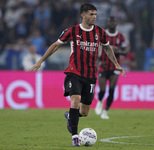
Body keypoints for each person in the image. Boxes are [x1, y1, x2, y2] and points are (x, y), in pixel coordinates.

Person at [28, 3, 125, 147]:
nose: (94, 17)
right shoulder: (72, 31)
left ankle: (70, 116)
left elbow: (107, 48)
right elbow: (56, 45)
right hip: (74, 72)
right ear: (83, 15)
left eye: (95, 14)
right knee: (75, 99)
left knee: (84, 112)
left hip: (91, 75)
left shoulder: (100, 32)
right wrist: (40, 61)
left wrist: (116, 64)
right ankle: (75, 137)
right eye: (91, 14)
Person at [95, 16, 127, 119]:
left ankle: (105, 111)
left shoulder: (120, 37)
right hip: (103, 66)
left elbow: (125, 51)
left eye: (114, 21)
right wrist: (99, 61)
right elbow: (96, 50)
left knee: (112, 90)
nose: (112, 23)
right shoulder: (102, 34)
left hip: (114, 67)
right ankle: (100, 101)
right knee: (103, 90)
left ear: (116, 23)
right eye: (110, 21)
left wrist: (118, 51)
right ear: (108, 23)